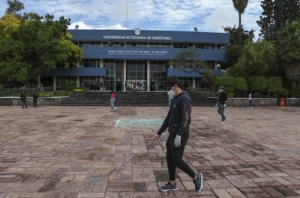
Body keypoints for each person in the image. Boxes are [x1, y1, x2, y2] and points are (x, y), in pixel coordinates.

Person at [155, 76, 203, 193]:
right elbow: (168, 118)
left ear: (175, 86)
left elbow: (186, 119)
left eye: (169, 87)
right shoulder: (175, 99)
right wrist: (159, 132)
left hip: (180, 134)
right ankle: (172, 183)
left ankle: (196, 178)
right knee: (169, 158)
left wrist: (179, 135)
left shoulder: (184, 98)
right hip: (173, 133)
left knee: (176, 159)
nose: (168, 90)